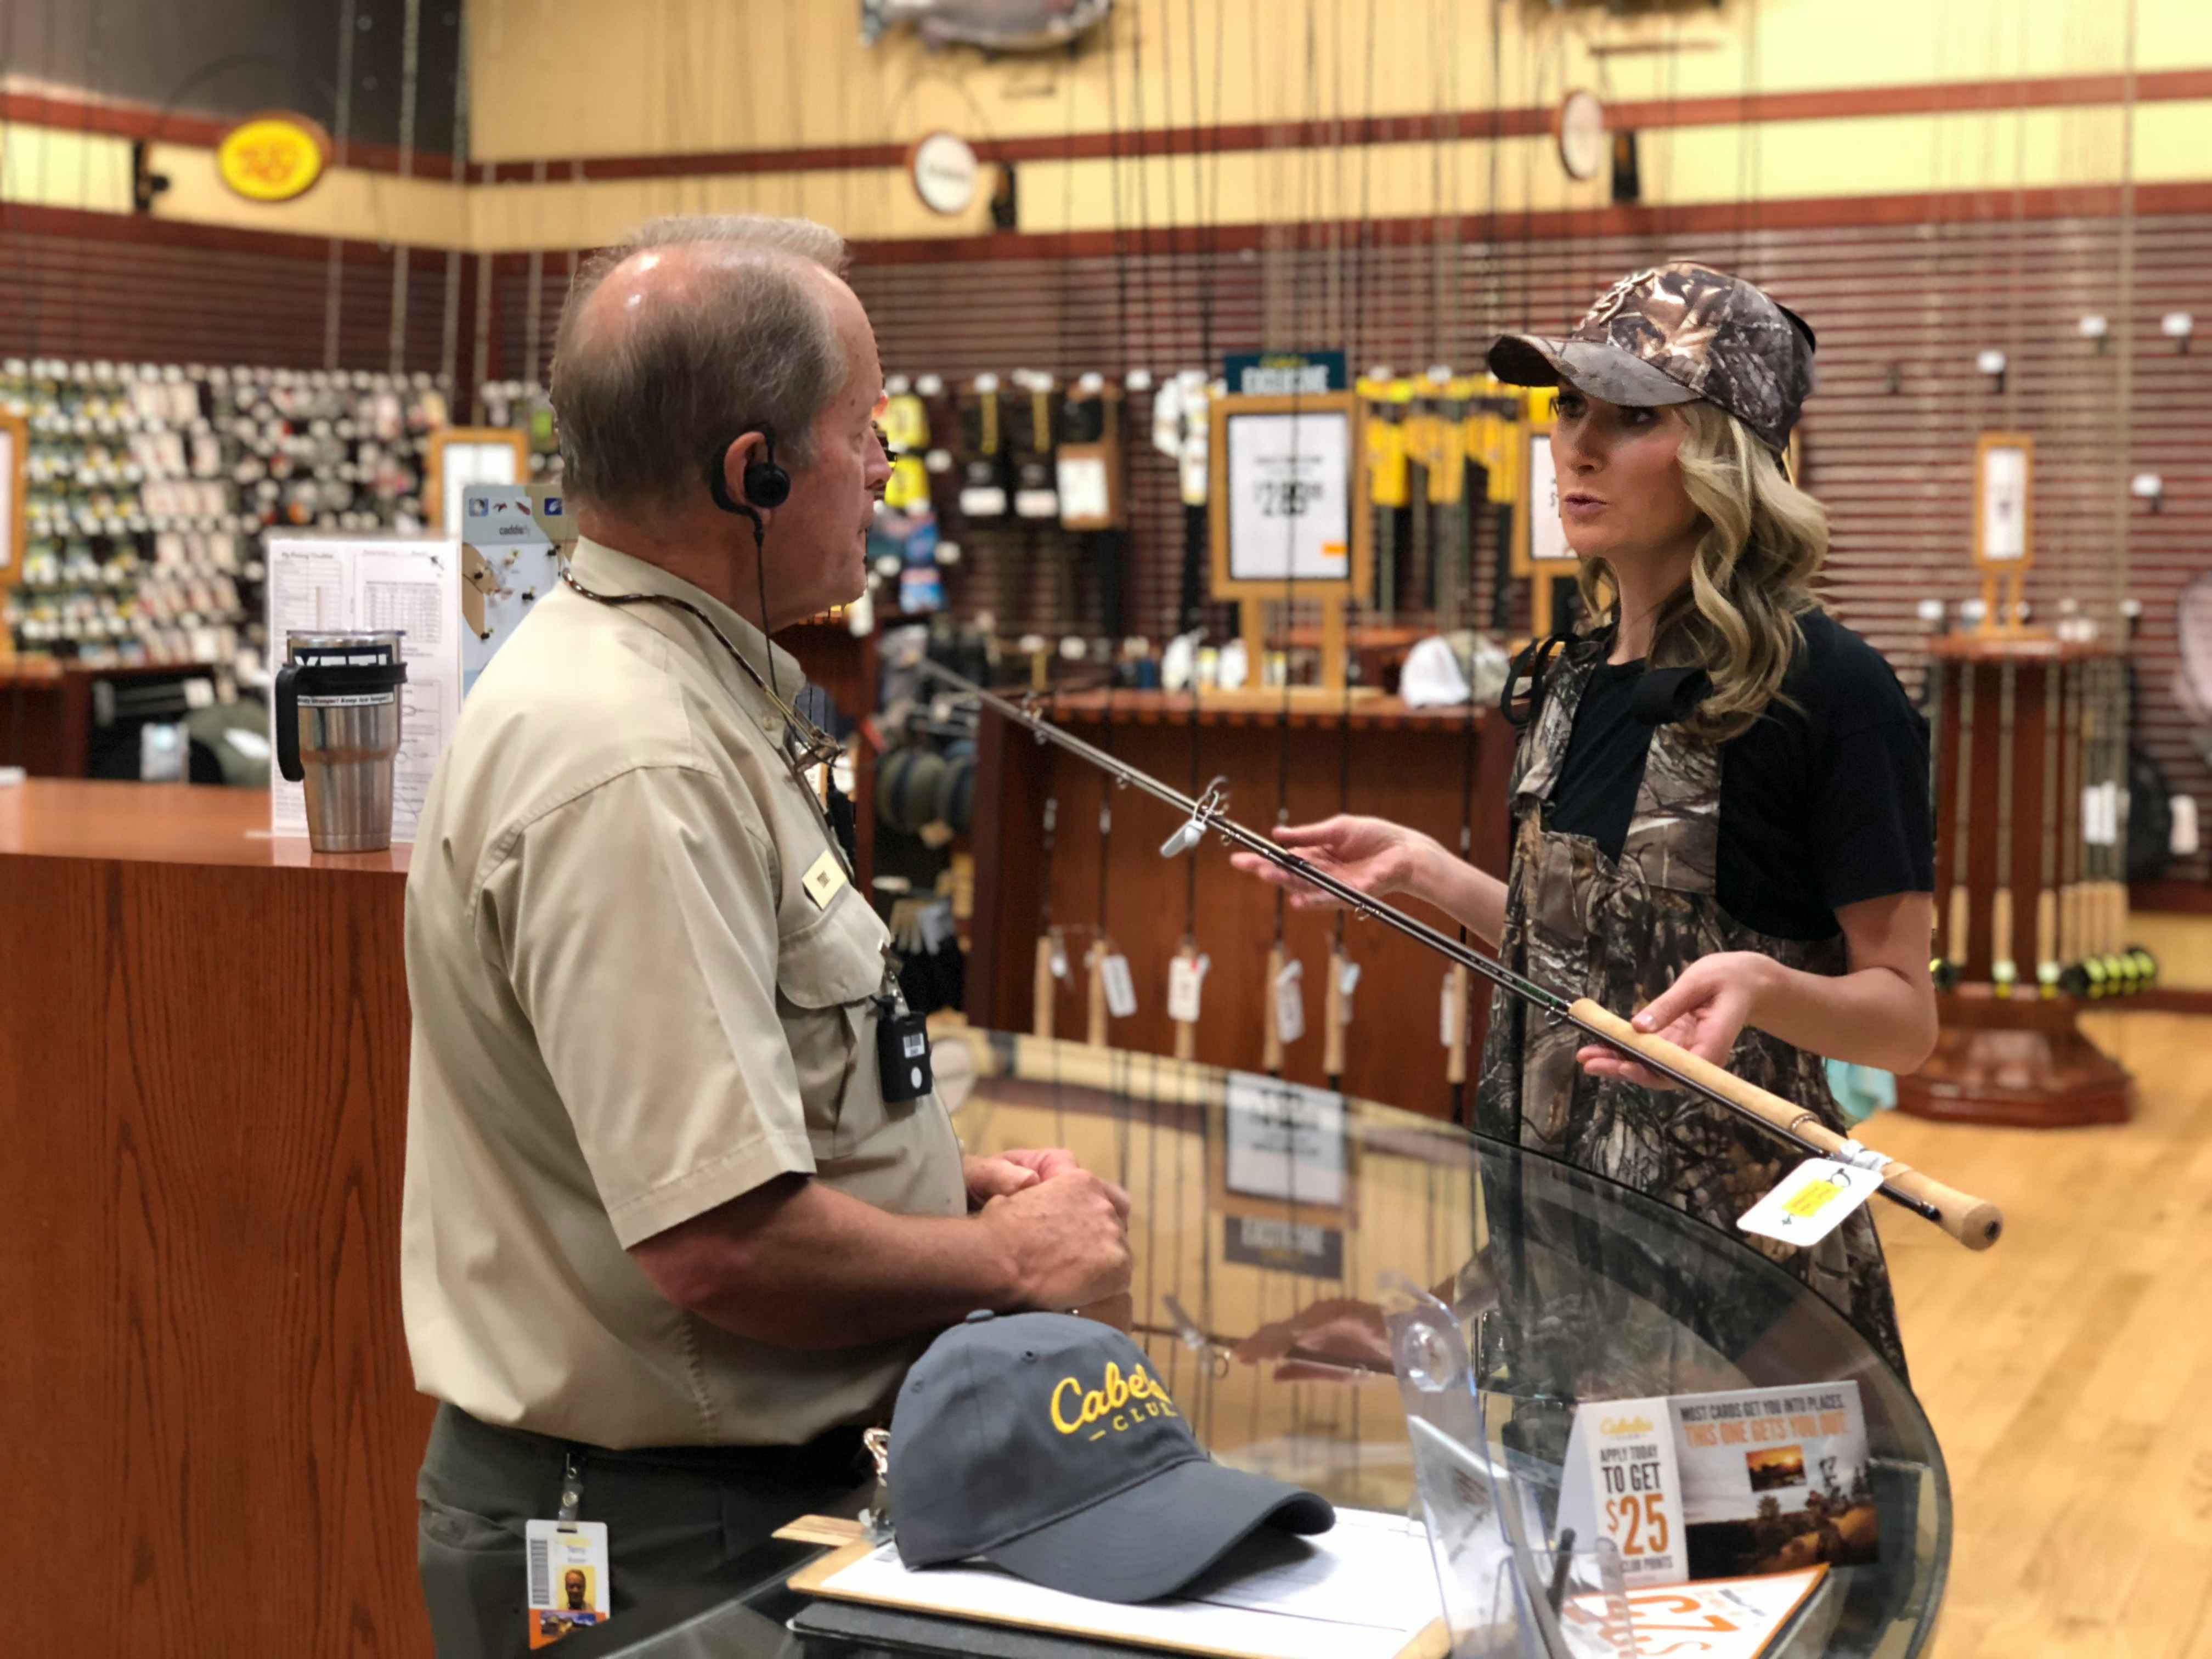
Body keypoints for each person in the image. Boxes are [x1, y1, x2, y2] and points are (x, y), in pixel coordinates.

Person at [402, 213, 1134, 1655]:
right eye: (866, 435)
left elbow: (716, 1114)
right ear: (758, 470)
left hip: (699, 1509)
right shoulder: (633, 759)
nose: (883, 473)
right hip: (654, 1549)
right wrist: (1011, 1260)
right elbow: (719, 1244)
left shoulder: (679, 692)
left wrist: (934, 1182)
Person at [1232, 263, 1933, 1379]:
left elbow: (1903, 1019)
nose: (1578, 447)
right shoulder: (1577, 676)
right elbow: (1604, 953)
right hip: (1557, 1287)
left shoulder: (1831, 689)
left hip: (1748, 1316)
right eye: (1570, 407)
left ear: (1722, 453)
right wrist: (1428, 873)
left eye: (1634, 417)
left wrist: (1762, 988)